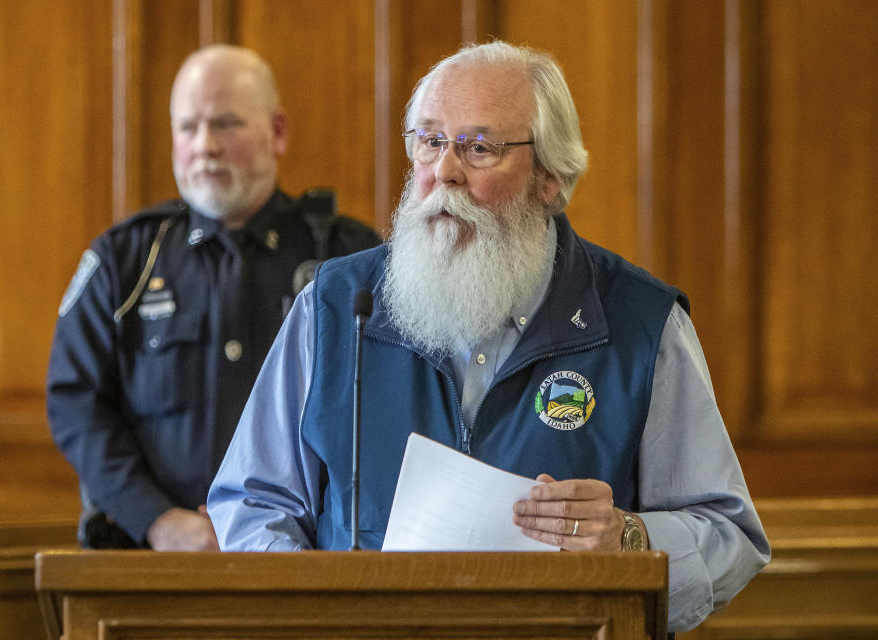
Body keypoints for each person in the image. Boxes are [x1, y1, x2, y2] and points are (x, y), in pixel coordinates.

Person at [206, 41, 769, 631]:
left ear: (550, 177)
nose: (444, 171)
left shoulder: (639, 321)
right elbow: (253, 500)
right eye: (429, 141)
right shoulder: (337, 305)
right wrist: (317, 614)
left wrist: (630, 539)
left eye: (479, 148)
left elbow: (729, 534)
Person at [46, 45, 380, 551]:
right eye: (187, 127)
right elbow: (77, 404)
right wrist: (157, 520)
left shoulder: (344, 256)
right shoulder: (126, 259)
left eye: (226, 124)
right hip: (154, 560)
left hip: (304, 562)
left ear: (278, 131)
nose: (205, 145)